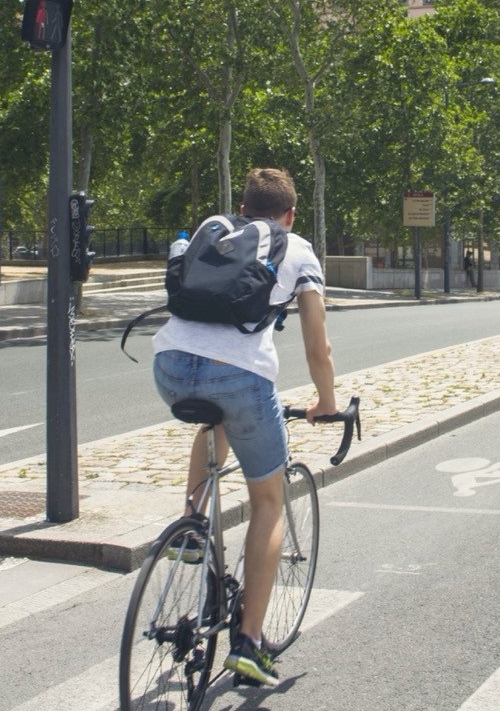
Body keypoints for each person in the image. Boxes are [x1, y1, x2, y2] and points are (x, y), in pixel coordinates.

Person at [152, 167, 337, 687]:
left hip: (168, 368)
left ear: (243, 205)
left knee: (213, 420)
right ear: (290, 214)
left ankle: (191, 525)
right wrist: (326, 400)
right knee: (268, 501)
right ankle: (251, 643)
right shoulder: (297, 249)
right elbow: (317, 343)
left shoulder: (214, 229)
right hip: (241, 380)